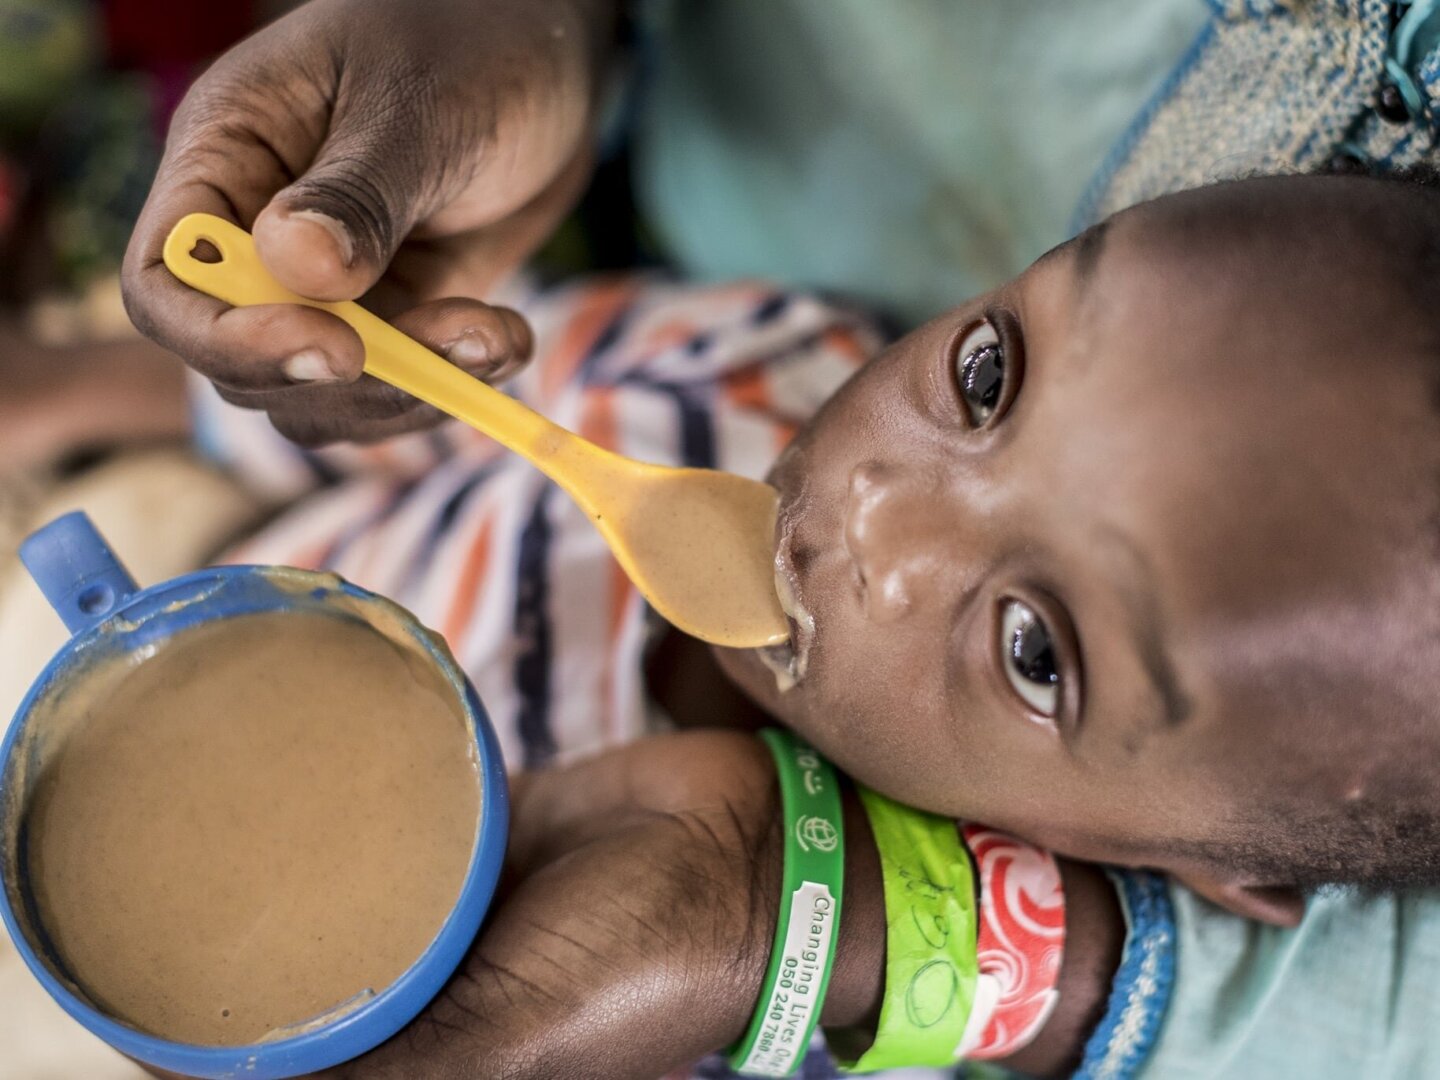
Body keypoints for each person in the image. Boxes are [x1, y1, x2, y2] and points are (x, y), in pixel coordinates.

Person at [167, 168, 1440, 1077]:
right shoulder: (737, 366)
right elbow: (327, 409)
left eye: (1035, 651)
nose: (885, 512)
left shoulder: (827, 1042)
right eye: (986, 377)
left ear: (1204, 873)